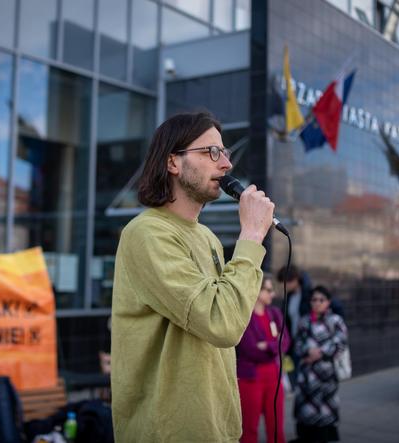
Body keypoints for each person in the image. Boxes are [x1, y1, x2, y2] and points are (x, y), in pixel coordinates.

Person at [110, 111, 275, 442]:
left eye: (224, 152)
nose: (226, 163)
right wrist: (252, 237)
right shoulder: (146, 233)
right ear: (173, 162)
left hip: (218, 427)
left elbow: (229, 313)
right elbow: (222, 323)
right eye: (212, 152)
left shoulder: (208, 238)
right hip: (168, 432)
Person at [236, 274, 290, 443]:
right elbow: (250, 349)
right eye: (268, 290)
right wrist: (275, 345)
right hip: (250, 379)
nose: (272, 294)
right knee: (249, 429)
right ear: (256, 290)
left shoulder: (274, 313)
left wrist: (267, 346)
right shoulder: (244, 317)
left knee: (276, 427)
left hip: (274, 377)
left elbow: (286, 341)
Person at [293, 285, 347, 443]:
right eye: (314, 299)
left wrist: (319, 353)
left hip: (326, 378)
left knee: (325, 416)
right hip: (306, 379)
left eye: (321, 300)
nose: (317, 303)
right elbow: (297, 345)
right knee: (306, 416)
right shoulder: (304, 321)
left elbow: (341, 343)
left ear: (328, 302)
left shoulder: (336, 321)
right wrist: (307, 352)